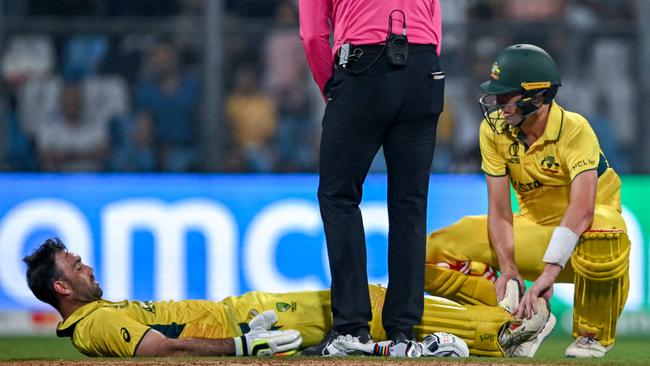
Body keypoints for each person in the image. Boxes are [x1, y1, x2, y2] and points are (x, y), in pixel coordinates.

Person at [423, 44, 630, 358]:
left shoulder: (575, 129)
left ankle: (593, 334)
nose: (498, 105)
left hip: (590, 246)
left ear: (538, 97)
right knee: (428, 254)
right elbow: (500, 211)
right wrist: (508, 269)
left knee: (605, 223)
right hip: (535, 233)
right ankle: (523, 316)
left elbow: (583, 209)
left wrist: (548, 274)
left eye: (507, 96)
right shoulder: (493, 132)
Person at [23, 238, 551, 358]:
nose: (87, 266)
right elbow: (154, 347)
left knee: (369, 303)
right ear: (62, 289)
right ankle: (498, 332)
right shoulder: (91, 324)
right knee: (366, 301)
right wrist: (240, 346)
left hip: (242, 315)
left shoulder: (90, 319)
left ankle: (494, 325)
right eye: (75, 267)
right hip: (243, 320)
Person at [299, 0, 444, 353]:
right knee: (410, 203)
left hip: (363, 69)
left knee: (338, 196)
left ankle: (351, 326)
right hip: (424, 70)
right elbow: (435, 29)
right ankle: (404, 330)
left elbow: (312, 35)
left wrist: (331, 88)